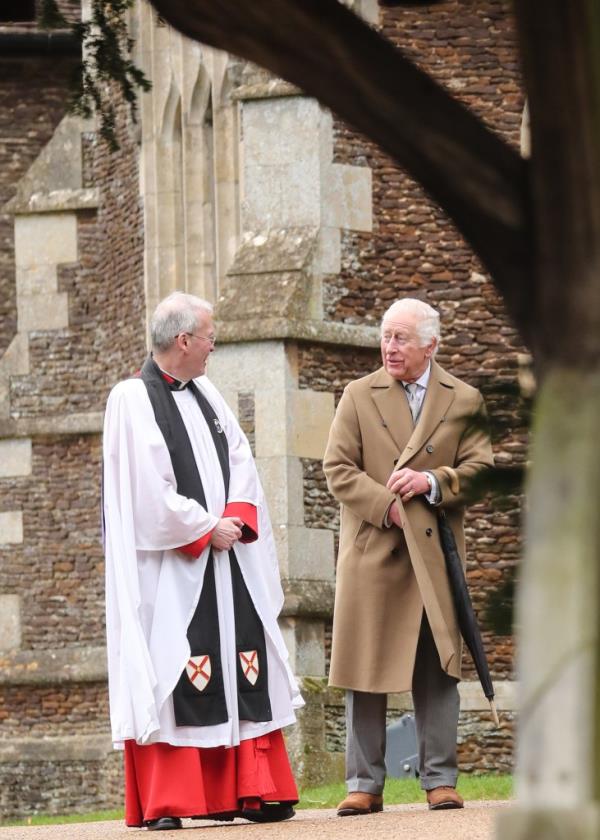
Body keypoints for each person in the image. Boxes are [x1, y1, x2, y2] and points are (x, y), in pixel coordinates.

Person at [103, 292, 303, 831]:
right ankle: (172, 799)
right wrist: (203, 528)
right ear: (184, 340)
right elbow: (145, 493)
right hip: (172, 571)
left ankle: (255, 790)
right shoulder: (131, 399)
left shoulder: (209, 393)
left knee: (242, 663)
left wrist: (234, 519)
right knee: (176, 667)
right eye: (210, 335)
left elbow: (242, 461)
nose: (215, 345)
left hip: (226, 562)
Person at [323, 298, 493, 815]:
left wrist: (432, 482)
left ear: (429, 345)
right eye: (386, 337)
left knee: (438, 667)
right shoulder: (358, 394)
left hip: (432, 555)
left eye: (400, 338)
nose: (389, 347)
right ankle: (363, 783)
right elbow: (337, 468)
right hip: (374, 550)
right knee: (363, 666)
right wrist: (387, 507)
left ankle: (440, 779)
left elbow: (482, 468)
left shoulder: (463, 398)